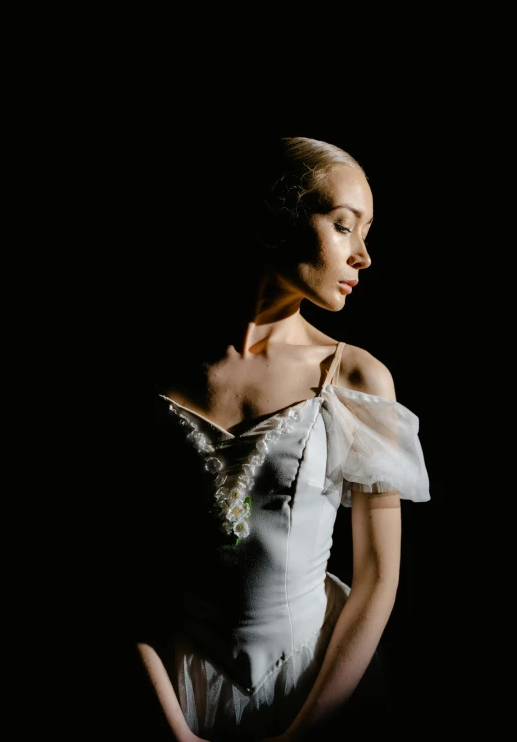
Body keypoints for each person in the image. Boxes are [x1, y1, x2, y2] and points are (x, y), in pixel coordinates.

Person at [127, 135, 430, 741]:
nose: (364, 256)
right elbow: (121, 573)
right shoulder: (154, 374)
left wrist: (298, 736)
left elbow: (378, 576)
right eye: (344, 226)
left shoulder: (355, 378)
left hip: (313, 691)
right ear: (277, 217)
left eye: (368, 232)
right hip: (175, 692)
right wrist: (175, 732)